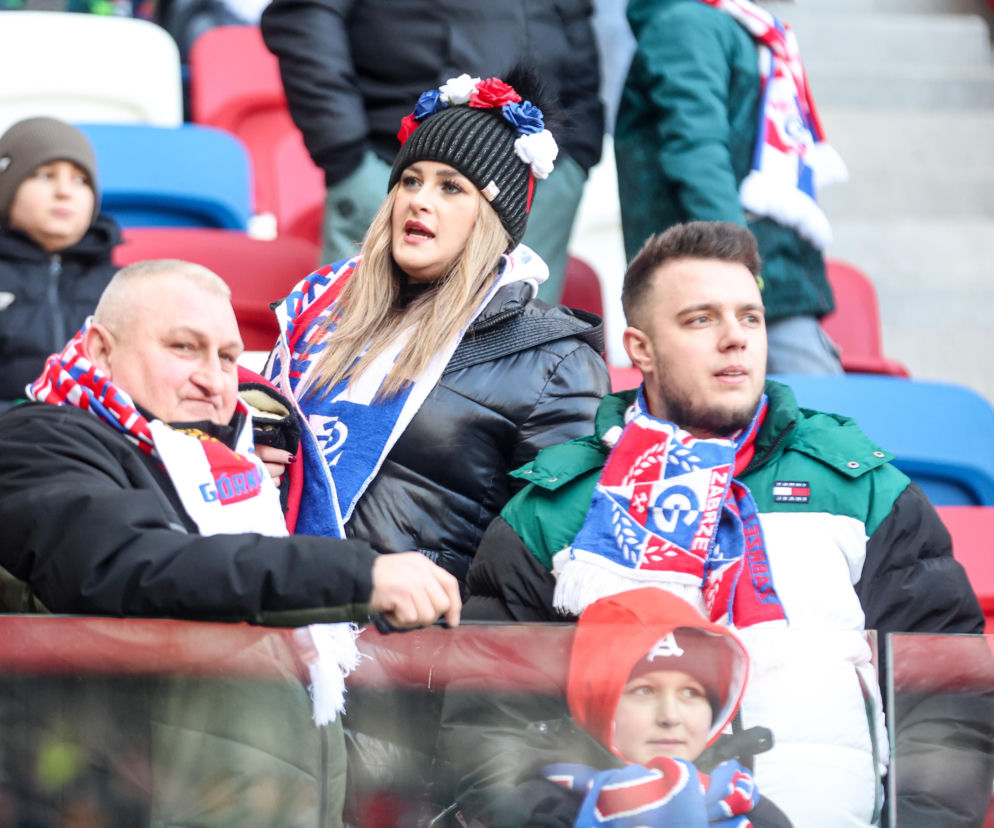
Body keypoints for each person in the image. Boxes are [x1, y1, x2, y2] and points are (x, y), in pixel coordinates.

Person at [458, 222, 991, 826]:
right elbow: (489, 723)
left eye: (751, 317)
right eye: (701, 319)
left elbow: (948, 697)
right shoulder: (556, 510)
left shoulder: (859, 488)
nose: (736, 339)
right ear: (641, 350)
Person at [263, 69, 610, 587]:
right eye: (410, 180)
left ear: (492, 219)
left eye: (452, 188)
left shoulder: (554, 362)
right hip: (272, 605)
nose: (419, 200)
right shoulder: (319, 312)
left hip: (416, 653)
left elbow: (545, 568)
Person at [0, 258, 460, 631]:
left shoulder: (241, 461)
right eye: (183, 347)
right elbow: (132, 566)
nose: (212, 380)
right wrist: (357, 574)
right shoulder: (37, 442)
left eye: (226, 357)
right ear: (102, 351)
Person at [259, 0, 604, 303]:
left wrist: (576, 156)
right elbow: (305, 17)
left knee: (522, 355)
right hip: (391, 169)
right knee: (360, 353)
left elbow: (576, 27)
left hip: (541, 182)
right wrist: (346, 154)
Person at [615, 0, 847, 374]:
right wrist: (740, 270)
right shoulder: (685, 23)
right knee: (814, 417)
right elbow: (697, 155)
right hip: (729, 291)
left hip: (758, 283)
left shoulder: (728, 22)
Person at [0, 116, 121, 413]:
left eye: (81, 180)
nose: (65, 191)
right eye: (44, 175)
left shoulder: (124, 287)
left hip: (100, 443)